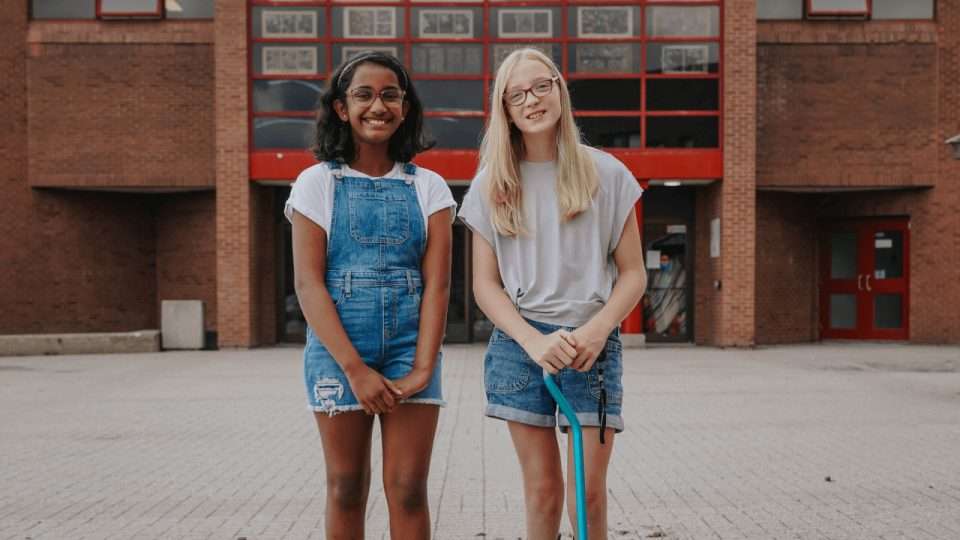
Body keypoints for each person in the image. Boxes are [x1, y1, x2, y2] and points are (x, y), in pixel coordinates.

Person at [458, 48, 647, 539]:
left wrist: (597, 330)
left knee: (588, 495)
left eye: (542, 86)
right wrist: (531, 341)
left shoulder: (607, 174)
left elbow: (633, 274)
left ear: (560, 90)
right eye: (517, 93)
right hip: (522, 348)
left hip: (593, 346)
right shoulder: (490, 185)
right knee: (543, 493)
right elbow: (484, 284)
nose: (532, 100)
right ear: (504, 107)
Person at [284, 51, 455, 539]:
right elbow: (308, 283)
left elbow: (437, 286)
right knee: (345, 486)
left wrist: (423, 367)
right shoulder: (317, 183)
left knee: (407, 489)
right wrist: (355, 371)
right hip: (339, 357)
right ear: (341, 108)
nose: (377, 106)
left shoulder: (430, 187)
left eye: (389, 95)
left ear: (404, 107)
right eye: (363, 95)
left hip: (410, 353)